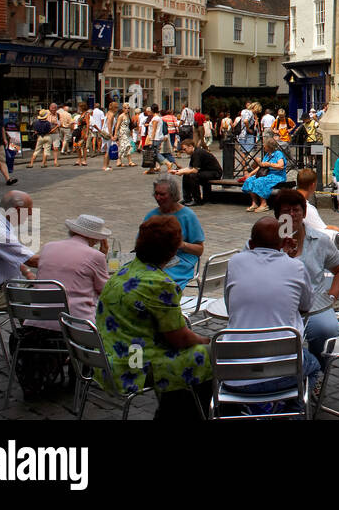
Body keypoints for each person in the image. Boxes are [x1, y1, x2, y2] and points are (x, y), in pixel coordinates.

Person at [95, 214, 212, 419]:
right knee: (207, 354)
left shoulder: (125, 271)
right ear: (173, 250)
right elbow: (179, 338)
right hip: (132, 364)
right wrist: (205, 340)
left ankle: (173, 410)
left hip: (108, 358)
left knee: (186, 359)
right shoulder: (159, 283)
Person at [223, 216, 321, 400]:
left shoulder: (234, 262)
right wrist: (287, 257)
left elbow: (230, 308)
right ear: (283, 242)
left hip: (234, 375)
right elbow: (306, 305)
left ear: (251, 244)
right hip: (283, 371)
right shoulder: (296, 267)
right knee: (314, 365)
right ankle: (293, 409)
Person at [272, 189, 339, 370]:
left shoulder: (319, 240)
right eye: (286, 211)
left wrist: (331, 298)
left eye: (296, 210)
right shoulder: (266, 240)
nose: (292, 215)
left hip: (313, 303)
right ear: (278, 216)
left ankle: (317, 371)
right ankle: (276, 374)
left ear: (304, 213)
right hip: (274, 303)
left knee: (326, 329)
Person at [29, 214, 111, 328]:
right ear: (97, 239)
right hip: (75, 326)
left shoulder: (48, 247)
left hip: (37, 320)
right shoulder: (96, 256)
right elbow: (105, 290)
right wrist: (103, 255)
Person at [143, 178, 205, 290]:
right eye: (156, 194)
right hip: (155, 259)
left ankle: (162, 303)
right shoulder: (151, 216)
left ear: (173, 195)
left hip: (180, 262)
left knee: (158, 280)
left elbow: (199, 250)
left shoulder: (187, 215)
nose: (158, 198)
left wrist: (180, 244)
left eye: (162, 194)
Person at [168, 137, 222, 206]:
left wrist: (181, 172)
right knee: (186, 175)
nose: (184, 151)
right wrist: (177, 171)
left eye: (185, 149)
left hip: (215, 173)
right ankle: (187, 198)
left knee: (192, 175)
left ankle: (197, 200)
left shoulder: (198, 153)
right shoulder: (194, 153)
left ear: (190, 146)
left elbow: (194, 170)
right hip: (206, 171)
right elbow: (190, 167)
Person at [241, 137, 287, 212]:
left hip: (277, 176)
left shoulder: (278, 154)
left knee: (259, 181)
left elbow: (281, 166)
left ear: (269, 147)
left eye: (265, 145)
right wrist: (251, 174)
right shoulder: (267, 155)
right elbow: (261, 166)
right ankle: (255, 203)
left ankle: (264, 204)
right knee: (250, 180)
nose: (264, 147)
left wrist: (270, 164)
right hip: (266, 174)